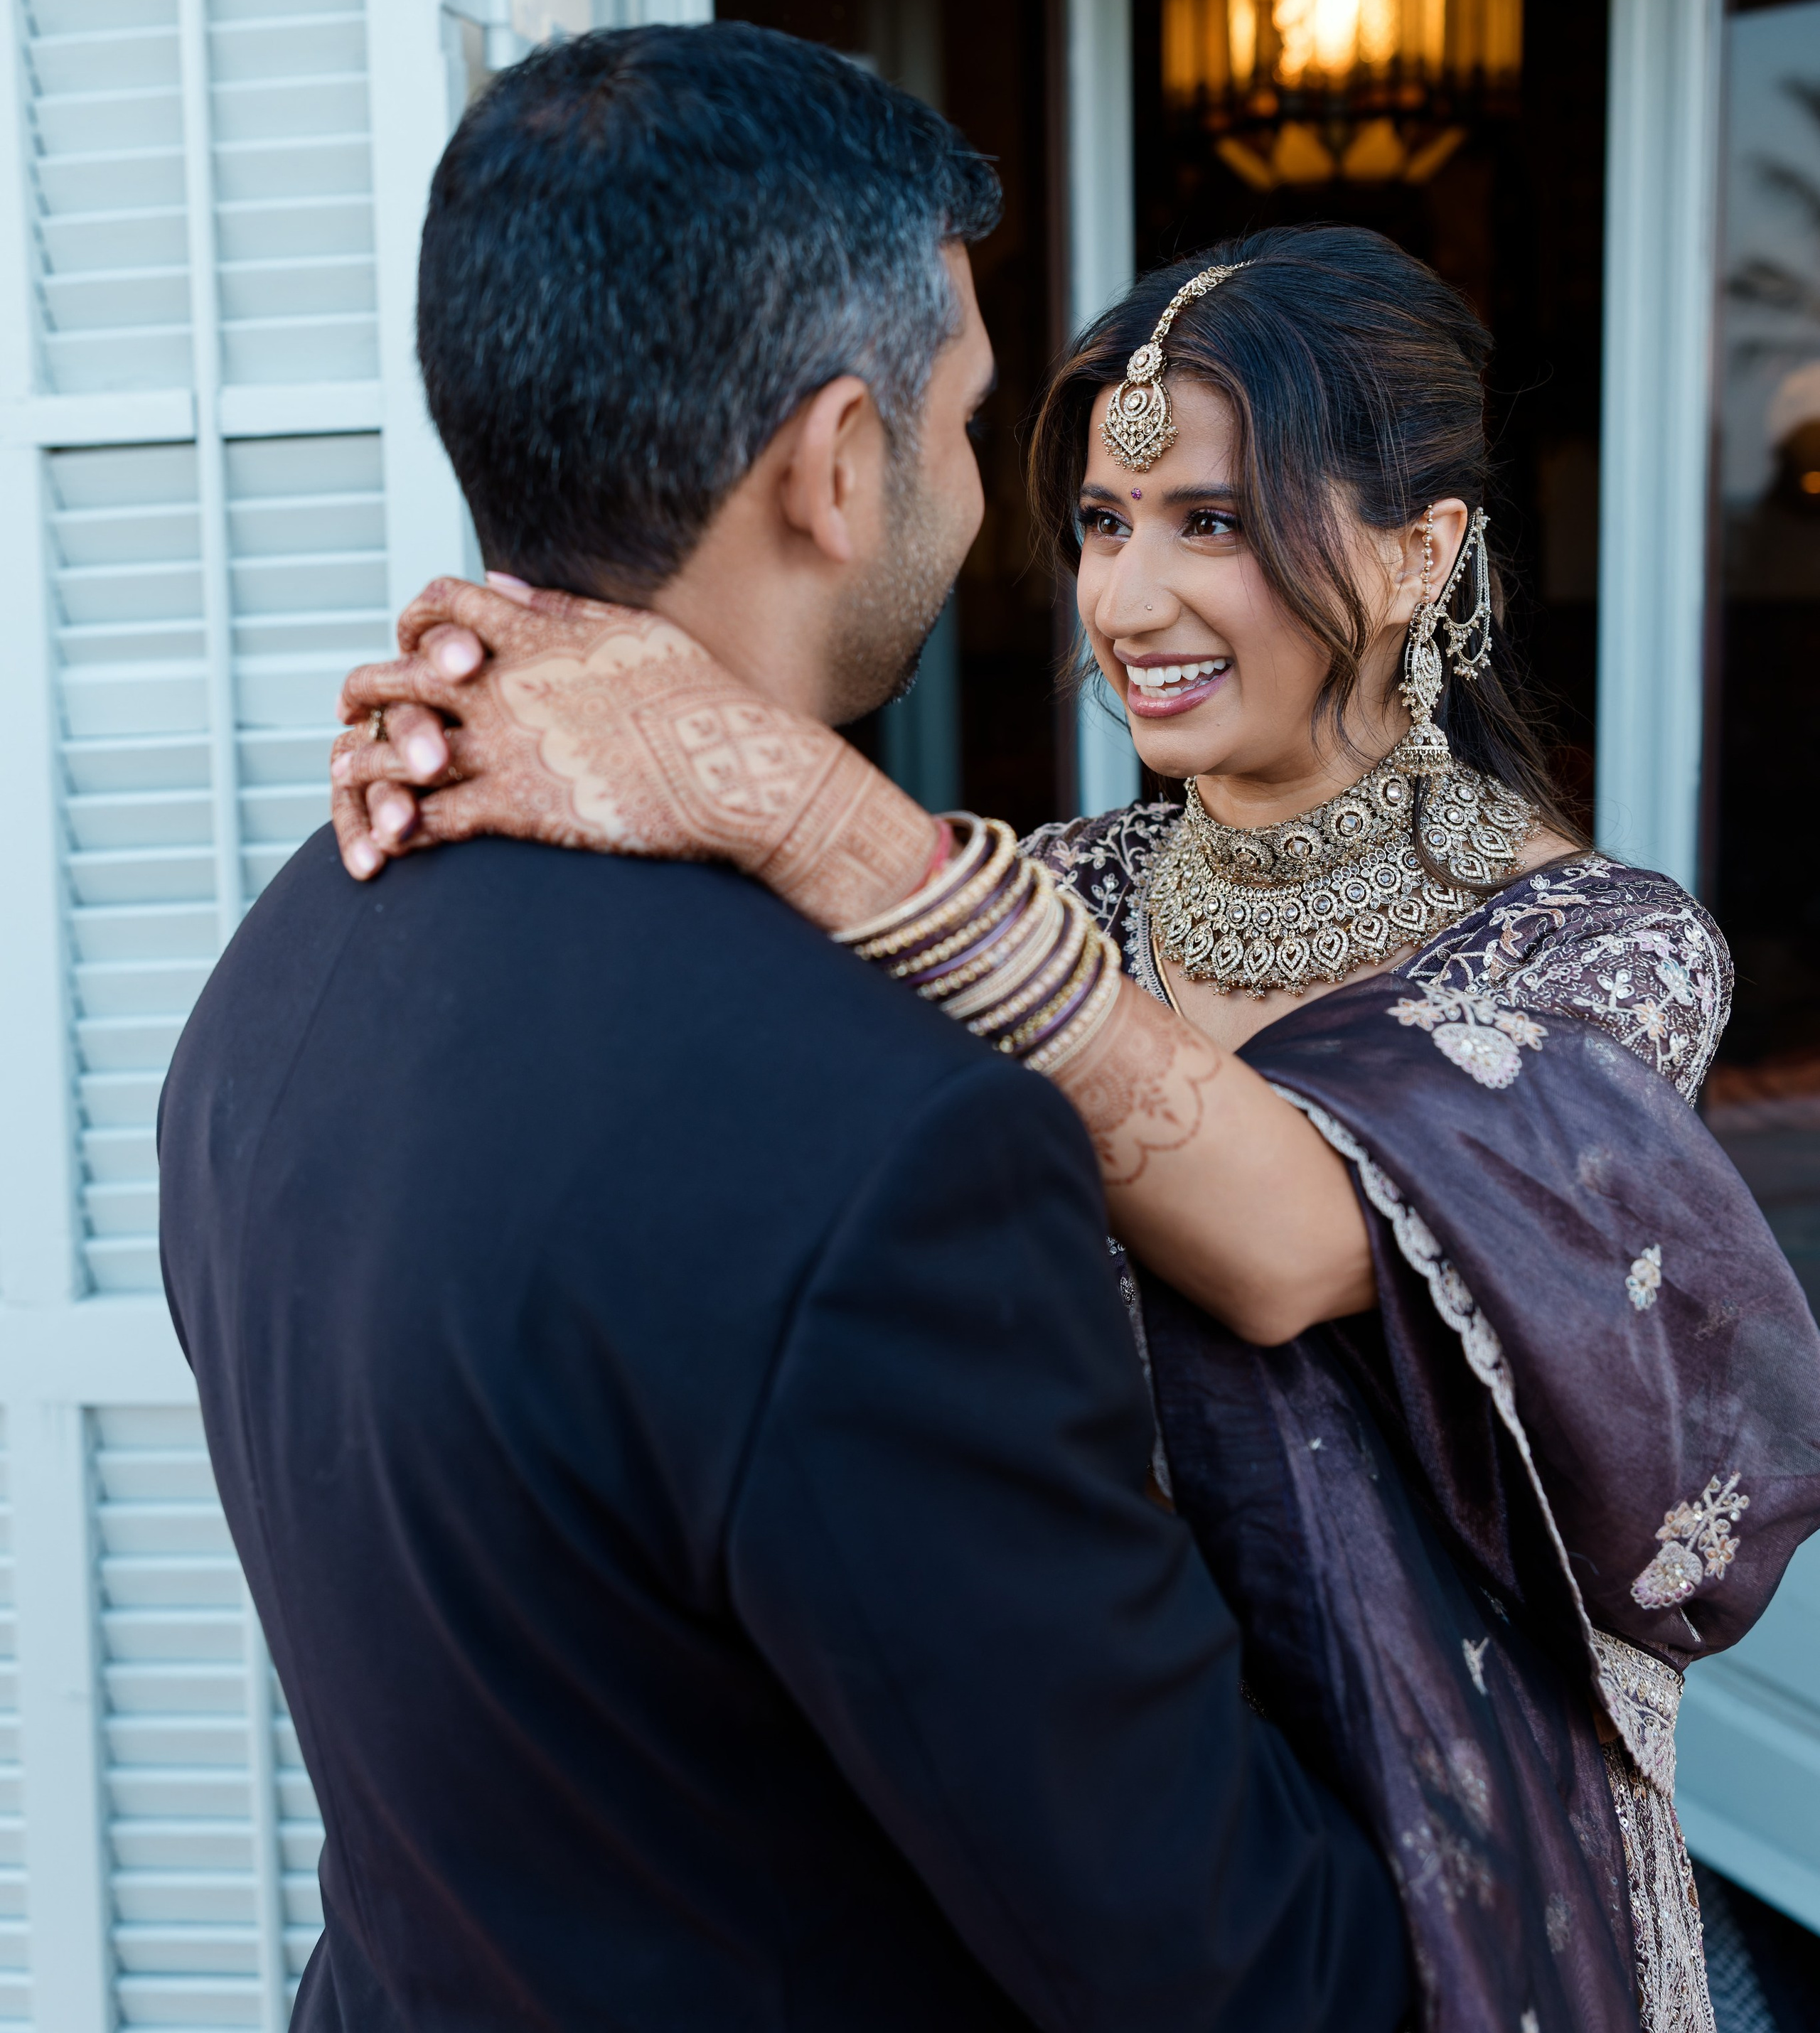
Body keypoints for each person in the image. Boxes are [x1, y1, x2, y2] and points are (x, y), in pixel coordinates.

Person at [333, 117, 1820, 2033]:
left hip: (1442, 1873)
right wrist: (504, 725)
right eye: (1104, 528)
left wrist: (775, 785)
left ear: (1420, 551)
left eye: (1211, 521)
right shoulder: (1054, 900)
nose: (1126, 605)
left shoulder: (1599, 954)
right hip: (1101, 1859)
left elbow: (1294, 1232)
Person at [158, 23, 1410, 2033]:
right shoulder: (889, 1146)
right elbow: (1239, 1973)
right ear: (837, 463)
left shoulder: (287, 962)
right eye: (969, 418)